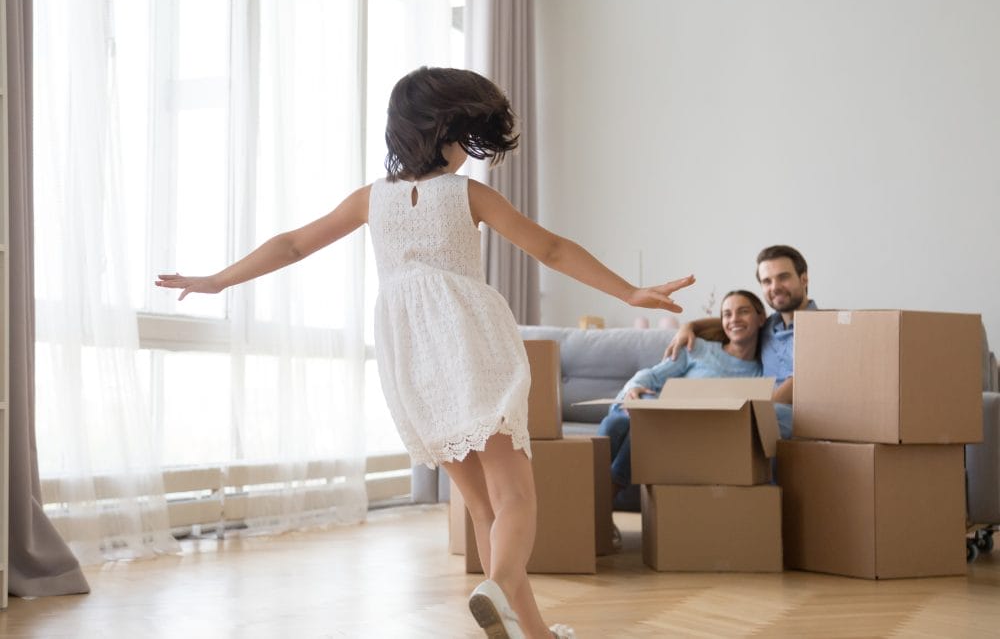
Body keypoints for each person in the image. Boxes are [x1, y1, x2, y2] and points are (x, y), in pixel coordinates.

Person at [156, 66, 695, 639]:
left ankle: (532, 631)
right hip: (468, 342)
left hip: (410, 359)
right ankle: (496, 585)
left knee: (483, 509)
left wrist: (217, 280)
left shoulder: (370, 200)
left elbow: (291, 246)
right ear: (448, 131)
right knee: (515, 497)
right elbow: (553, 250)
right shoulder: (467, 194)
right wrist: (628, 292)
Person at [598, 290, 768, 512]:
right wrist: (634, 388)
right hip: (648, 411)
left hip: (688, 434)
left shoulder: (760, 373)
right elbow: (652, 375)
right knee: (616, 423)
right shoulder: (697, 348)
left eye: (743, 312)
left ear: (761, 318)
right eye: (727, 314)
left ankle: (596, 510)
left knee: (633, 426)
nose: (734, 319)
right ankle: (598, 509)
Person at [664, 245, 817, 439]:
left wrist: (757, 410)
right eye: (767, 281)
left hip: (797, 416)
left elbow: (801, 380)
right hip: (762, 415)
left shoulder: (825, 328)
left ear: (804, 279)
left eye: (783, 277)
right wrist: (689, 326)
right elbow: (735, 323)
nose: (775, 287)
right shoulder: (769, 325)